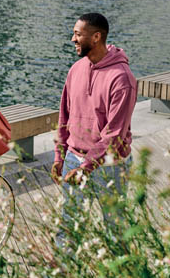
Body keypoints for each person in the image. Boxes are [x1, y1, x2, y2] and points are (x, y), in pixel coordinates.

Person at [51, 12, 137, 228]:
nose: (73, 39)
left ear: (96, 37)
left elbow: (115, 134)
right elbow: (64, 117)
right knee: (68, 224)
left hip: (109, 165)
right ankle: (65, 262)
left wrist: (86, 167)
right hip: (73, 158)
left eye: (78, 34)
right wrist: (59, 156)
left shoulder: (122, 78)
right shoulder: (75, 70)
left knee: (114, 228)